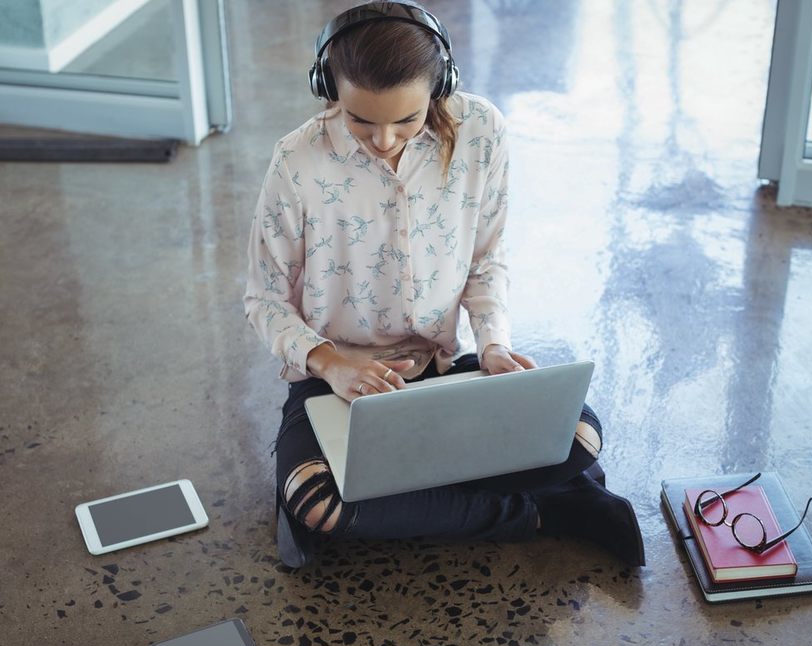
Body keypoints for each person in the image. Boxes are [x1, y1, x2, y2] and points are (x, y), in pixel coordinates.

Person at [244, 1, 644, 568]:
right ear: (329, 87)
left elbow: (486, 262)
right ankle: (542, 512)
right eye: (360, 119)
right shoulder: (296, 161)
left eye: (405, 120)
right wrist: (332, 363)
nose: (383, 139)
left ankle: (411, 501)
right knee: (316, 502)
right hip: (333, 387)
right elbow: (264, 300)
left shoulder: (482, 133)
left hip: (440, 373)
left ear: (441, 86)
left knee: (579, 431)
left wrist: (494, 346)